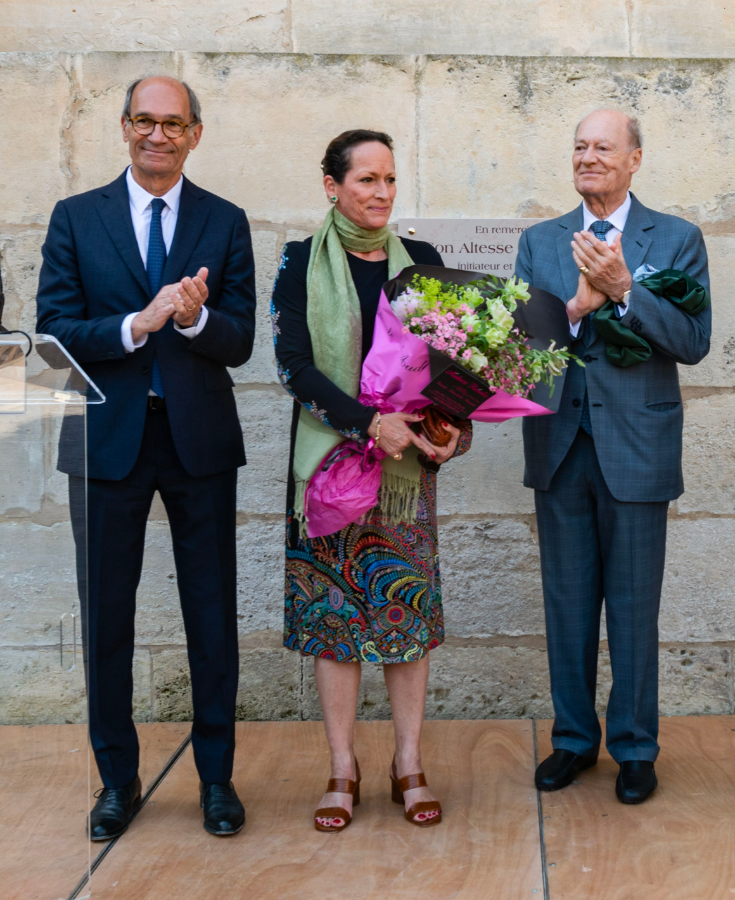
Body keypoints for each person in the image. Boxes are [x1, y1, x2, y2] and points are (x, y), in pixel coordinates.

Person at [36, 76, 256, 839]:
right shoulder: (75, 218)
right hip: (106, 443)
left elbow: (242, 340)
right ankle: (117, 781)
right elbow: (54, 336)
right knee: (107, 617)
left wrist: (194, 323)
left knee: (211, 614)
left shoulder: (224, 221)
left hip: (197, 442)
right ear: (123, 126)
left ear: (195, 133)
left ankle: (217, 781)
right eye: (143, 121)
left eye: (172, 123)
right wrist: (140, 321)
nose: (156, 135)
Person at [275, 130, 469, 833]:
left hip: (404, 477)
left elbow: (456, 364)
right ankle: (341, 765)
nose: (382, 193)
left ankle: (408, 761)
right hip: (330, 474)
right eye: (366, 180)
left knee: (403, 615)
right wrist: (367, 423)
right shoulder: (300, 262)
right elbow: (295, 365)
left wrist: (446, 428)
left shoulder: (424, 262)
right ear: (332, 186)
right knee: (335, 624)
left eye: (389, 179)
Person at [516, 110, 711, 805]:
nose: (588, 157)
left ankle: (634, 747)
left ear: (635, 158)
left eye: (603, 147)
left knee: (633, 607)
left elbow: (693, 341)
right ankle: (572, 740)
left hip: (638, 446)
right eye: (579, 147)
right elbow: (517, 348)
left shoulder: (677, 238)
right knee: (567, 604)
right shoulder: (540, 242)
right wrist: (576, 306)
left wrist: (626, 290)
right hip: (561, 445)